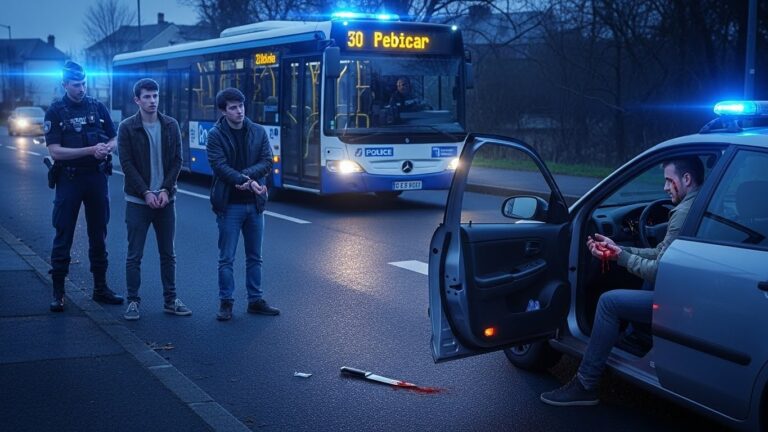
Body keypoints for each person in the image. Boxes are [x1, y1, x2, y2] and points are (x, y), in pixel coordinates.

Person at [540, 156, 704, 406]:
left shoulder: (682, 213)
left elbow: (660, 271)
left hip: (682, 299)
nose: (664, 187)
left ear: (687, 179)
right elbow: (662, 253)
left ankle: (586, 383)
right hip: (694, 291)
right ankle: (633, 338)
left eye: (668, 181)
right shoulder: (701, 204)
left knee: (608, 302)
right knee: (641, 282)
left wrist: (621, 257)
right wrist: (620, 249)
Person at [44, 61, 124, 312]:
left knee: (99, 234)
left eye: (84, 84)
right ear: (65, 85)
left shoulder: (97, 106)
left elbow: (115, 137)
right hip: (70, 179)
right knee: (64, 233)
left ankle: (100, 288)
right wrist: (90, 150)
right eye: (76, 85)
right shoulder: (55, 111)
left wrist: (107, 148)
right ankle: (58, 292)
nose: (81, 89)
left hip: (96, 178)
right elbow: (55, 151)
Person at [117, 78, 190, 321]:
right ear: (137, 100)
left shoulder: (170, 124)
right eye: (147, 97)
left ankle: (171, 300)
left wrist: (166, 190)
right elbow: (126, 164)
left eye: (155, 96)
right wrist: (146, 192)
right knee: (134, 255)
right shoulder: (127, 127)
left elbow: (178, 160)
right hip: (138, 201)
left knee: (168, 254)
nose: (152, 101)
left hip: (166, 201)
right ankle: (133, 301)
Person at [206, 88, 278, 321]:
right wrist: (246, 180)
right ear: (223, 111)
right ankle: (226, 302)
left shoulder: (258, 131)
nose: (239, 111)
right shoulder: (215, 135)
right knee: (226, 258)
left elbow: (267, 161)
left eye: (241, 106)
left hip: (255, 204)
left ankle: (255, 300)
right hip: (229, 205)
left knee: (255, 257)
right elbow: (219, 166)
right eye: (233, 108)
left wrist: (246, 178)